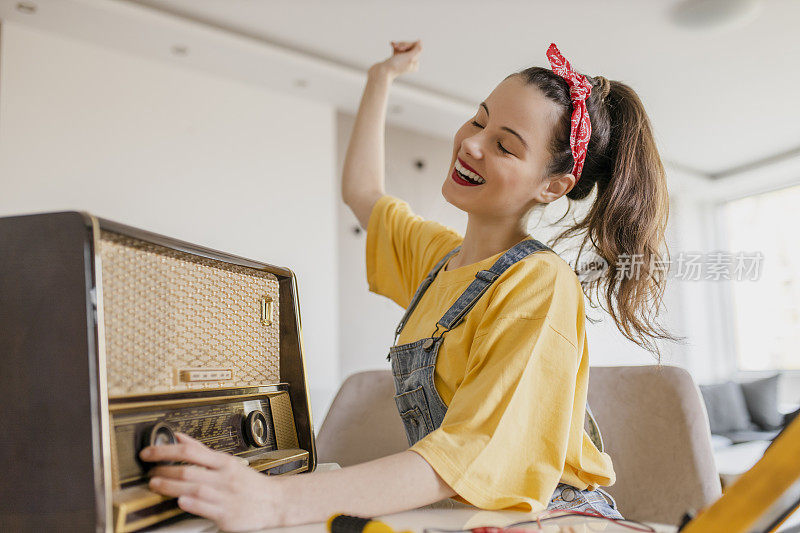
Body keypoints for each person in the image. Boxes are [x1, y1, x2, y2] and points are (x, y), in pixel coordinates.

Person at [141, 39, 676, 531]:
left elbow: (467, 455)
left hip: (556, 518)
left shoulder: (540, 283)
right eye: (477, 120)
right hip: (465, 513)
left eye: (506, 146)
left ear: (552, 186)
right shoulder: (439, 258)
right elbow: (362, 192)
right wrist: (380, 79)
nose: (471, 144)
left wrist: (275, 501)